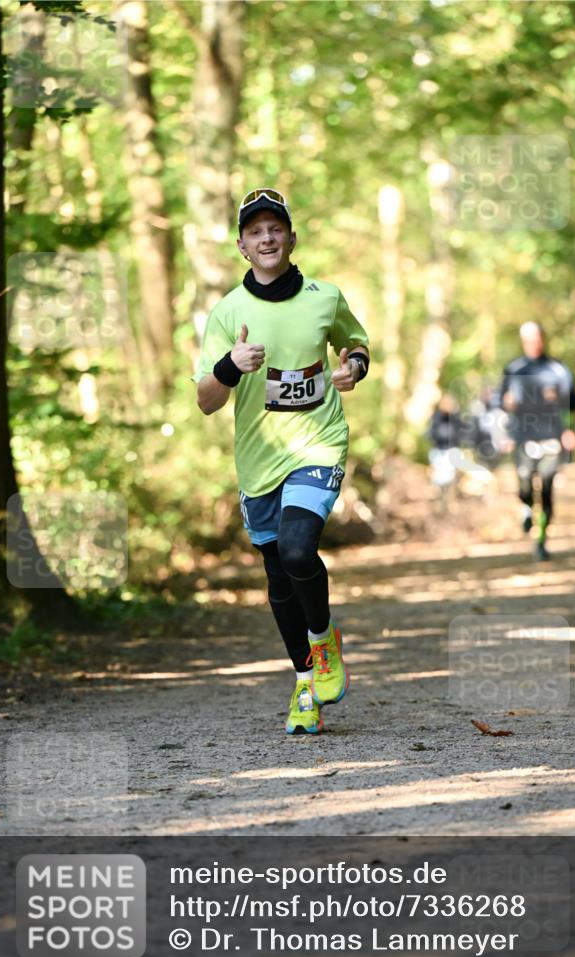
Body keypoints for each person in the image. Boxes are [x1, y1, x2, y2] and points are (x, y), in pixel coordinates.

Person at [194, 188, 370, 735]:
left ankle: (322, 641)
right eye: (255, 232)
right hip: (258, 458)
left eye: (276, 228)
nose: (267, 238)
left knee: (298, 550)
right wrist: (230, 365)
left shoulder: (325, 296)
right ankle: (303, 685)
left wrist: (353, 369)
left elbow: (356, 345)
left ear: (292, 238)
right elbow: (204, 400)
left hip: (318, 442)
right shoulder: (227, 312)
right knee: (276, 576)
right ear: (242, 246)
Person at [496, 321, 575, 561]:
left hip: (551, 436)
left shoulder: (557, 369)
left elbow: (573, 403)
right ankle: (526, 508)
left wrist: (568, 429)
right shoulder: (514, 369)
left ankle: (541, 542)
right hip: (523, 436)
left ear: (544, 338)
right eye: (529, 339)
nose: (535, 343)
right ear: (523, 342)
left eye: (538, 338)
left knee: (547, 487)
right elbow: (499, 402)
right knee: (524, 485)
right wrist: (506, 409)